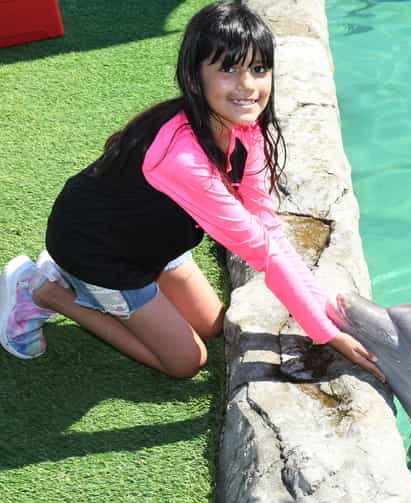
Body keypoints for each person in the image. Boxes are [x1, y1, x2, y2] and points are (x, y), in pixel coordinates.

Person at [0, 1, 384, 382]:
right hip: (98, 249)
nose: (247, 85)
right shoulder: (183, 158)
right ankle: (45, 292)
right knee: (186, 361)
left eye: (258, 68)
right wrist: (328, 334)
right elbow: (262, 252)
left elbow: (267, 229)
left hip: (149, 241)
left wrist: (329, 309)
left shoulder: (246, 131)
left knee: (213, 323)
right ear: (195, 76)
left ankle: (77, 282)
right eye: (228, 69)